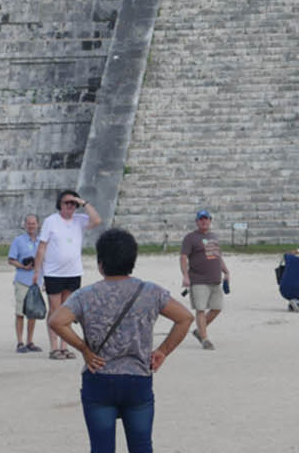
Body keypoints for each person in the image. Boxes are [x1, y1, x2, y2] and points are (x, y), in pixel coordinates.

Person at [49, 227, 194, 453]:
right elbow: (185, 318)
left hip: (99, 377)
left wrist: (83, 349)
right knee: (142, 446)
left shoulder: (85, 295)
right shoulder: (150, 292)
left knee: (101, 448)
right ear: (132, 260)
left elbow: (57, 321)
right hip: (137, 377)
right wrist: (163, 350)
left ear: (100, 263)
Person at [35, 190, 102, 360]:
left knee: (68, 311)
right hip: (53, 273)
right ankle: (54, 347)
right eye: (67, 203)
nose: (70, 206)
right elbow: (42, 247)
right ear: (60, 204)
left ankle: (65, 346)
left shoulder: (79, 220)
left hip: (73, 272)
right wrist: (38, 272)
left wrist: (83, 202)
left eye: (73, 204)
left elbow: (97, 220)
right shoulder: (51, 221)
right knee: (55, 310)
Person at [178, 209, 230, 350]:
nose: (204, 221)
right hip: (198, 279)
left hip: (215, 279)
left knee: (217, 308)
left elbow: (218, 256)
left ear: (210, 221)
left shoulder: (214, 236)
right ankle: (205, 339)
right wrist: (185, 276)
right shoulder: (190, 238)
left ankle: (199, 331)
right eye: (201, 219)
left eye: (206, 219)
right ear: (197, 222)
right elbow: (183, 257)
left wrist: (226, 271)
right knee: (200, 309)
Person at [8, 213, 42, 353]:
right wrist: (23, 266)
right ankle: (20, 342)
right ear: (25, 225)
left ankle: (30, 341)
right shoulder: (18, 241)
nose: (31, 226)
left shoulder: (42, 241)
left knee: (33, 313)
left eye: (33, 223)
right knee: (20, 312)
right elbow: (11, 260)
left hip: (36, 281)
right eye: (28, 223)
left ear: (38, 225)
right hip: (22, 280)